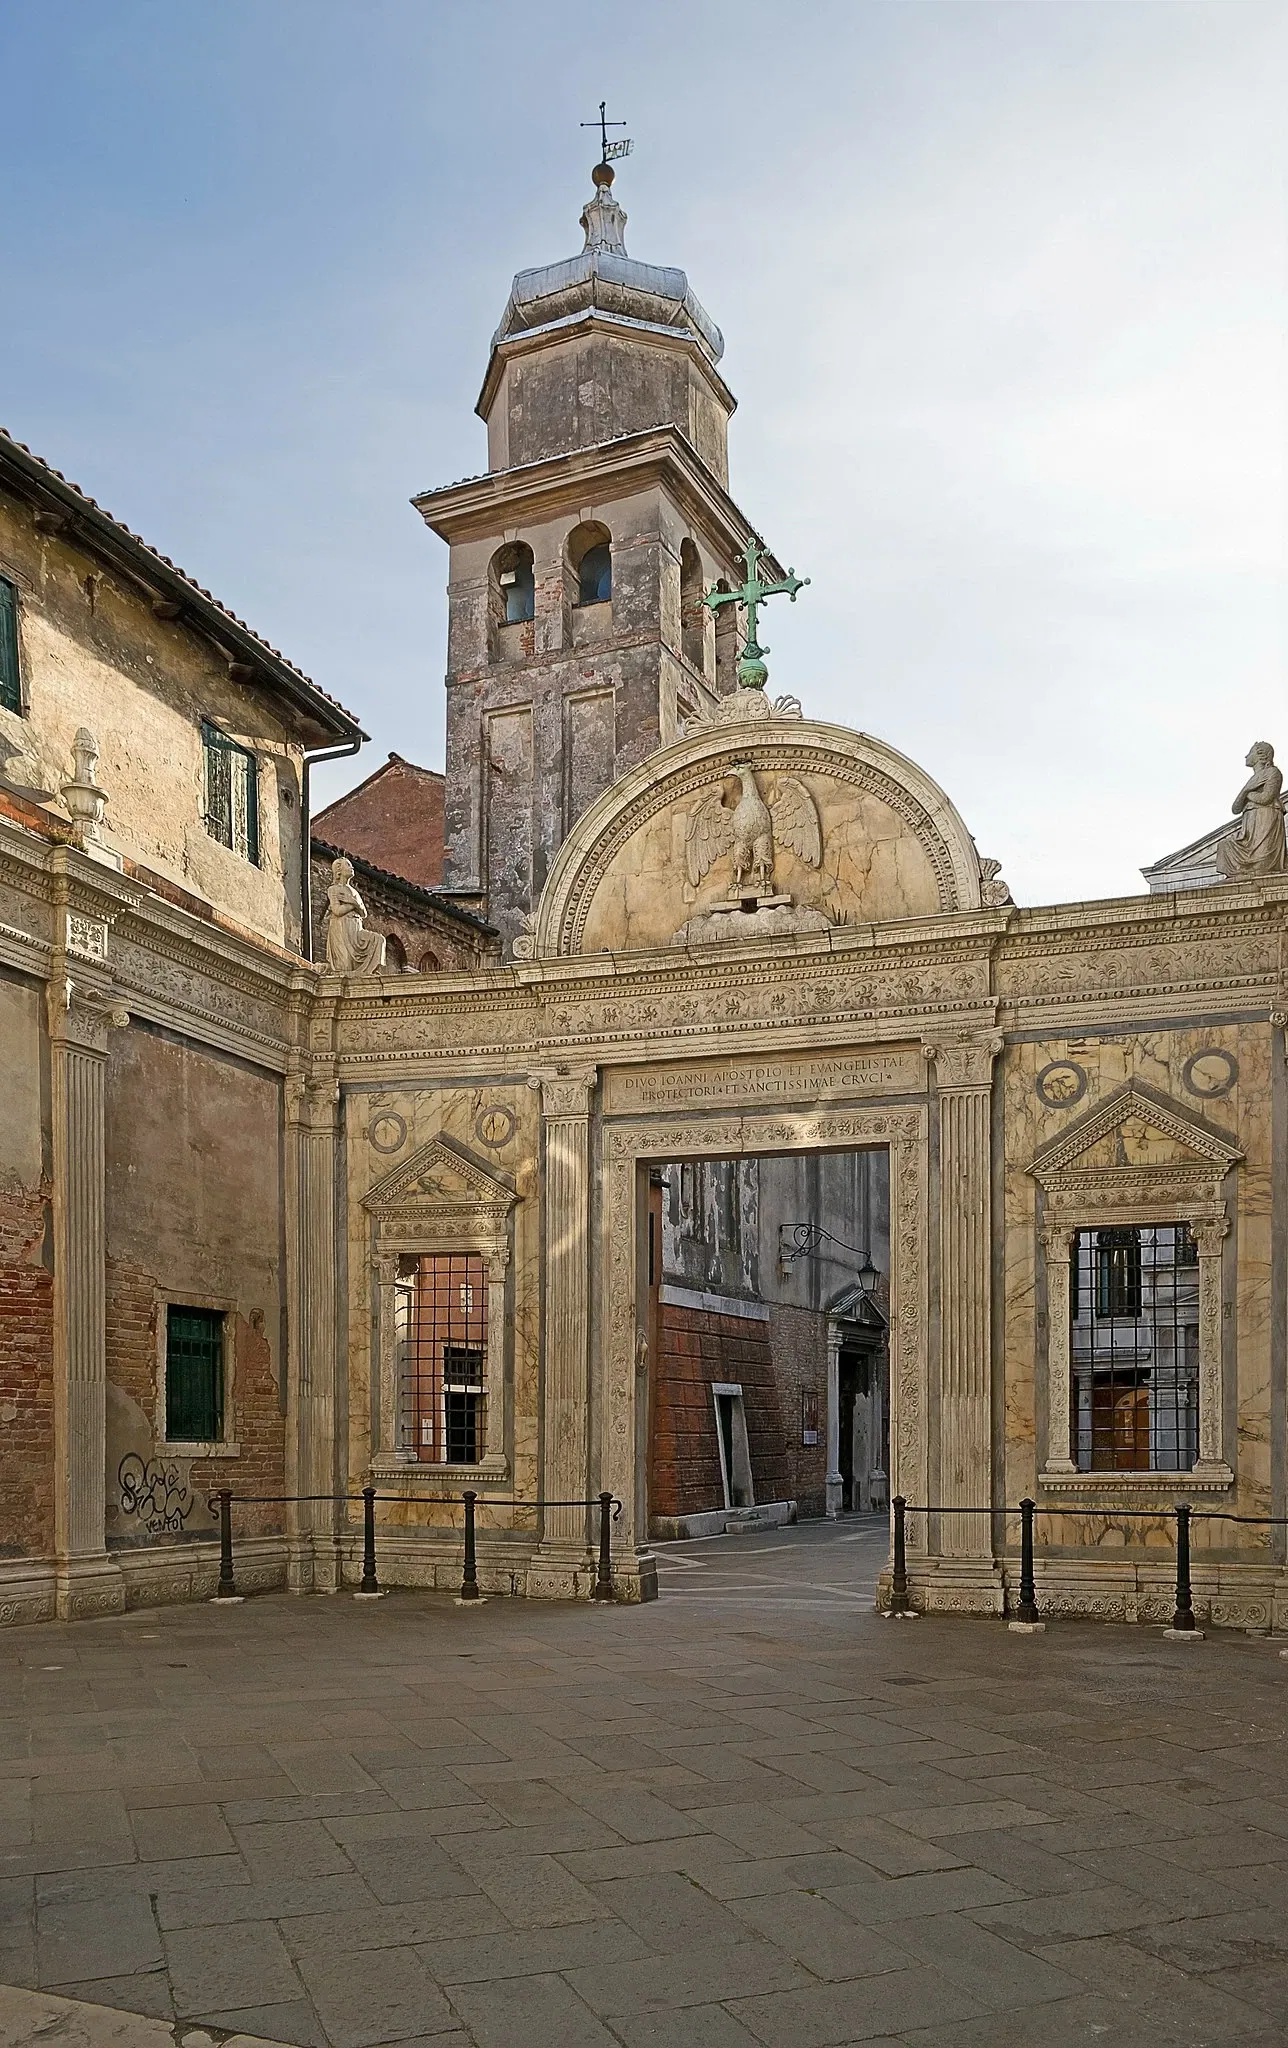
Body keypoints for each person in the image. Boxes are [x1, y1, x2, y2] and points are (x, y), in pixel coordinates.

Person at [1217, 743, 1286, 880]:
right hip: (1250, 826)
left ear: (1261, 755)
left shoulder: (1273, 772)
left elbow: (1265, 798)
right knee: (1224, 846)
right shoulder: (1252, 780)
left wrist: (1247, 794)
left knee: (1262, 865)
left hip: (1266, 817)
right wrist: (1247, 790)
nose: (1246, 756)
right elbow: (1235, 808)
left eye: (1250, 752)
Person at [323, 857, 387, 973]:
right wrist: (354, 904)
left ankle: (368, 972)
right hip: (341, 927)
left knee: (379, 940)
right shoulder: (333, 889)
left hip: (356, 927)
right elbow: (337, 911)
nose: (351, 867)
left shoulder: (354, 891)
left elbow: (364, 913)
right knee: (345, 965)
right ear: (339, 871)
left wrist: (353, 901)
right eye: (347, 865)